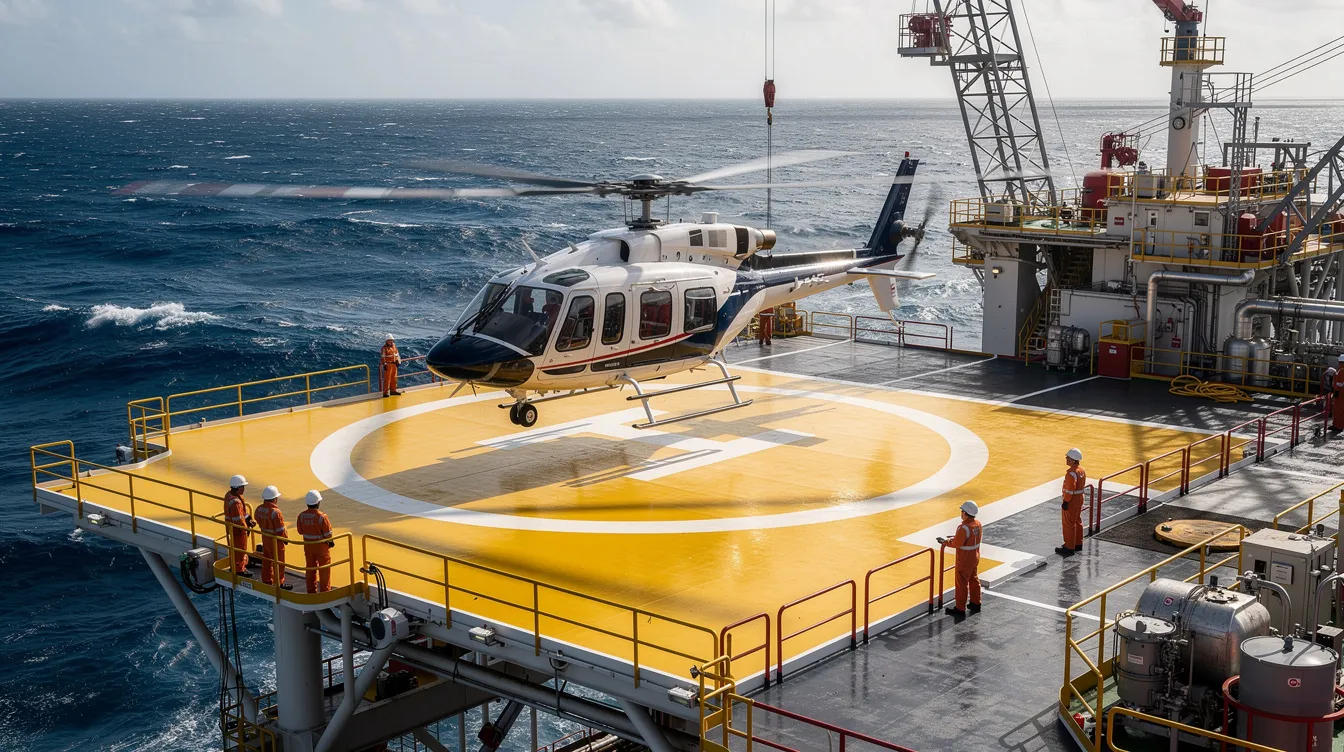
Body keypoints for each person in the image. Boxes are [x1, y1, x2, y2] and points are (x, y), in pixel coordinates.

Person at [937, 500, 982, 617]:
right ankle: (975, 603)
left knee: (961, 583)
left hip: (965, 559)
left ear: (966, 513)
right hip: (975, 556)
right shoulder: (977, 524)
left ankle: (960, 609)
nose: (961, 513)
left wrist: (945, 541)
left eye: (962, 511)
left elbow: (957, 543)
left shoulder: (963, 528)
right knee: (973, 579)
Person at [253, 485, 292, 590]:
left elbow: (257, 519)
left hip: (265, 538)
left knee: (267, 560)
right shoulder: (276, 512)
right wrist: (285, 539)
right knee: (279, 562)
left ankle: (266, 580)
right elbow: (280, 530)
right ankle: (279, 582)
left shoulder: (259, 509)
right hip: (276, 541)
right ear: (275, 499)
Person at [297, 490, 335, 594]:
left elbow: (300, 531)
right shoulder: (322, 517)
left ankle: (311, 591)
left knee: (310, 569)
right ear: (318, 503)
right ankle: (325, 591)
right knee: (324, 569)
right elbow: (328, 535)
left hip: (308, 547)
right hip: (321, 548)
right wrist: (330, 542)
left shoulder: (301, 516)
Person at [223, 474, 255, 577]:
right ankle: (239, 570)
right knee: (240, 549)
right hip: (237, 530)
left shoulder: (229, 495)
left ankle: (241, 564)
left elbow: (242, 514)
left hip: (232, 527)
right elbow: (238, 520)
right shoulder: (236, 502)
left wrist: (249, 519)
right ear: (238, 488)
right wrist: (246, 529)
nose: (244, 489)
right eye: (243, 487)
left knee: (237, 549)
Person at [1057, 448, 1087, 557]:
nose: (1066, 459)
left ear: (1073, 460)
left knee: (1069, 523)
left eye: (1068, 457)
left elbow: (1070, 488)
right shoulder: (1081, 470)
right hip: (1079, 498)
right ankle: (1078, 543)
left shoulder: (1071, 473)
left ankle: (1069, 547)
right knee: (1077, 520)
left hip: (1072, 500)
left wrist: (1066, 501)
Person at [1332, 354, 1344, 433]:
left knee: (1339, 409)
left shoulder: (1341, 370)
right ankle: (1336, 425)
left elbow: (1340, 383)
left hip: (1340, 393)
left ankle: (1339, 426)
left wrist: (1335, 391)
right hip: (1340, 392)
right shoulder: (1341, 370)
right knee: (1337, 409)